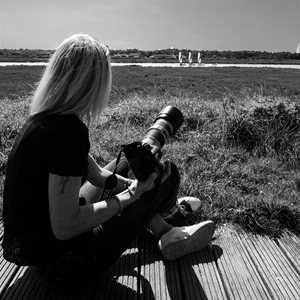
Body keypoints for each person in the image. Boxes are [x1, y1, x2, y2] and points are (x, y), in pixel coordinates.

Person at [2, 34, 215, 284]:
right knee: (162, 178)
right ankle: (169, 225)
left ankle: (162, 227)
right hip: (65, 265)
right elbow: (66, 226)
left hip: (37, 249)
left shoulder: (45, 118)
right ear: (92, 83)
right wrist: (133, 195)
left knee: (129, 166)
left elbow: (96, 174)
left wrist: (132, 181)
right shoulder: (68, 133)